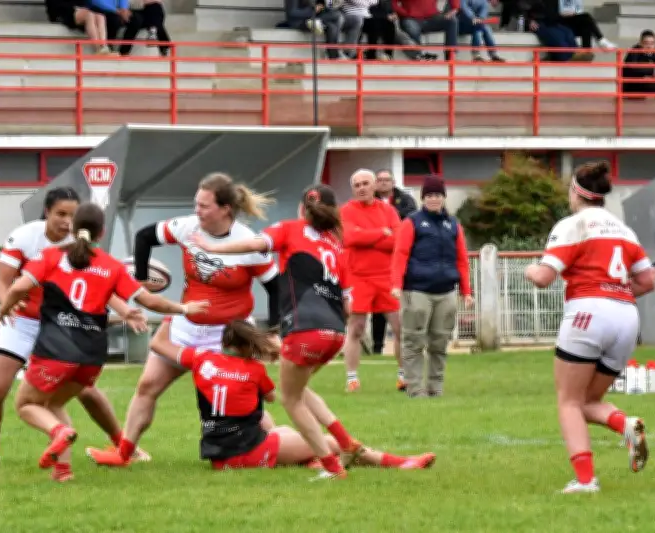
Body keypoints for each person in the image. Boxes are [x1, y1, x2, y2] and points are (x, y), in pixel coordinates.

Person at [0, 202, 208, 481]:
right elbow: (149, 300)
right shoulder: (111, 266)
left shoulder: (51, 256)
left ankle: (59, 432)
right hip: (91, 356)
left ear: (73, 226)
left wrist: (2, 312)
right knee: (55, 404)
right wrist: (185, 309)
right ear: (102, 232)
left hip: (56, 350)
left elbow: (19, 287)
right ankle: (63, 471)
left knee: (26, 405)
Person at [86, 173, 281, 467]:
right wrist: (141, 279)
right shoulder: (186, 227)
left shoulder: (246, 243)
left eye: (204, 206)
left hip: (227, 335)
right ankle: (124, 453)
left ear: (225, 209)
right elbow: (144, 237)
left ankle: (284, 446)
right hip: (185, 325)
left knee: (238, 400)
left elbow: (276, 288)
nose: (197, 211)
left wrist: (276, 331)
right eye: (196, 204)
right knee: (147, 386)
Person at [185, 184, 368, 480]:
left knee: (291, 399)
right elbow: (348, 304)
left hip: (304, 330)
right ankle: (346, 443)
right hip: (335, 334)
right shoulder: (337, 246)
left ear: (301, 209)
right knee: (301, 389)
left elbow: (254, 246)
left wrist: (213, 247)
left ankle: (332, 467)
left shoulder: (290, 229)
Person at [0, 187, 147, 466]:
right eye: (60, 214)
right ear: (47, 212)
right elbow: (2, 282)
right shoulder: (24, 237)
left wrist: (126, 310)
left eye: (72, 214)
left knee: (86, 391)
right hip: (22, 322)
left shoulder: (79, 243)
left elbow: (103, 284)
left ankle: (123, 447)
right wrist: (8, 303)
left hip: (62, 325)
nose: (67, 221)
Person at [148, 317, 437, 472]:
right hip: (245, 454)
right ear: (250, 345)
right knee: (326, 442)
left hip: (218, 454)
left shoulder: (200, 359)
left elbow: (158, 344)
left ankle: (307, 459)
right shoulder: (254, 371)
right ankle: (398, 463)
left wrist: (174, 312)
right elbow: (282, 397)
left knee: (279, 426)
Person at [524, 161, 655, 494]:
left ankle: (585, 480)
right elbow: (646, 281)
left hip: (588, 312)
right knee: (588, 400)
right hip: (626, 315)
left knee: (568, 401)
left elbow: (543, 278)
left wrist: (529, 269)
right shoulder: (624, 230)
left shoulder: (573, 225)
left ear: (575, 192)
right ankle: (625, 424)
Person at [391, 177, 472, 398]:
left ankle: (436, 388)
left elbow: (462, 259)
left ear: (443, 197)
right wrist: (397, 284)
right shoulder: (412, 222)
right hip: (417, 290)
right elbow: (401, 254)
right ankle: (415, 389)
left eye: (437, 195)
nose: (434, 199)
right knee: (414, 341)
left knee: (440, 342)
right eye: (429, 196)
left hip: (446, 291)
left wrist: (466, 291)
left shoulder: (453, 225)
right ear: (423, 198)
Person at [340, 169, 403, 393]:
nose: (362, 188)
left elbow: (397, 241)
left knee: (400, 327)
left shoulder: (388, 210)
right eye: (357, 185)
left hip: (386, 277)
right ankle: (352, 378)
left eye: (366, 183)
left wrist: (366, 236)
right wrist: (381, 233)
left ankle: (404, 376)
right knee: (356, 329)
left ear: (375, 185)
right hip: (358, 277)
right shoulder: (345, 211)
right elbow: (348, 237)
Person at [370, 169, 416, 357]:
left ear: (393, 181)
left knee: (401, 304)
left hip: (400, 256)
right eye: (379, 180)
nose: (382, 183)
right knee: (378, 308)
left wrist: (385, 225)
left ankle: (408, 344)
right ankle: (377, 346)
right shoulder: (368, 201)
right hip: (376, 259)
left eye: (386, 180)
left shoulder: (405, 200)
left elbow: (409, 220)